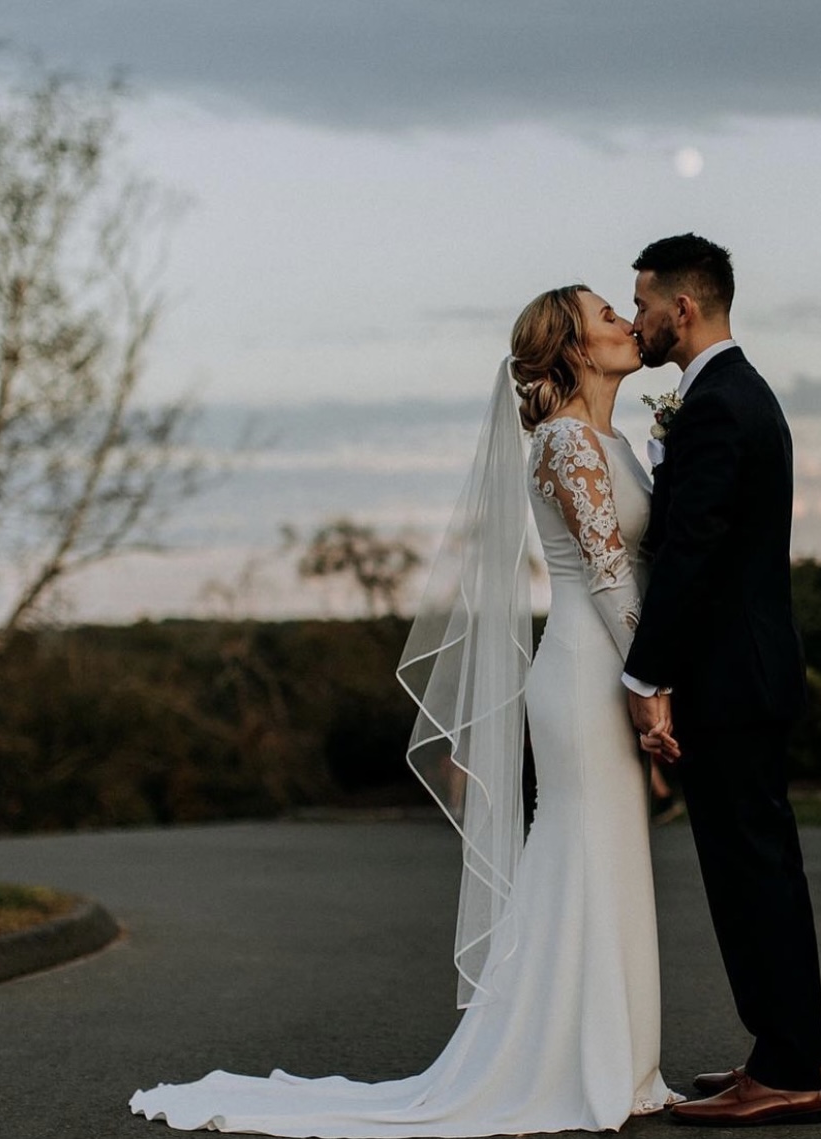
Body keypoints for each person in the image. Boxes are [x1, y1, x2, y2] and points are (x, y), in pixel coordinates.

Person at [129, 285, 680, 1136]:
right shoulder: (567, 441)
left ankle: (616, 1059)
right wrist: (655, 681)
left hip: (611, 663)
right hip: (585, 669)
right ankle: (571, 1062)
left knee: (609, 854)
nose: (625, 323)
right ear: (573, 347)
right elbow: (608, 576)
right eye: (607, 315)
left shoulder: (607, 438)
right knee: (584, 849)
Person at [623, 234, 821, 1126]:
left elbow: (692, 554)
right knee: (758, 873)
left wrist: (647, 672)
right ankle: (782, 1053)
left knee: (753, 877)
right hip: (748, 675)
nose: (634, 322)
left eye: (641, 304)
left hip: (730, 683)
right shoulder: (734, 394)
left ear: (683, 307)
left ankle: (787, 1068)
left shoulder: (717, 407)